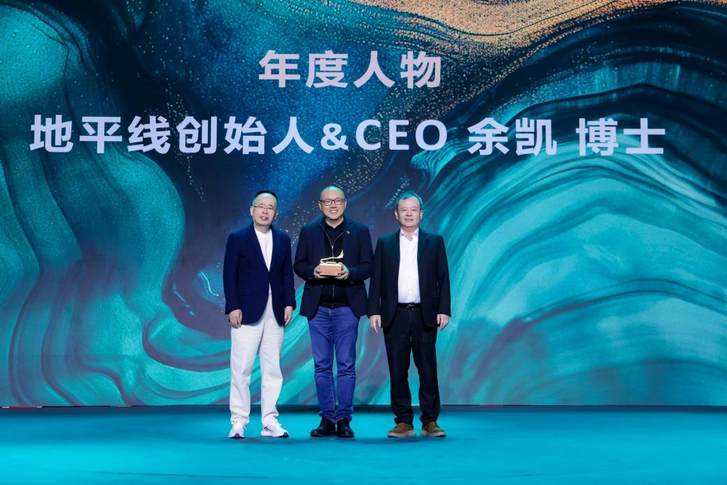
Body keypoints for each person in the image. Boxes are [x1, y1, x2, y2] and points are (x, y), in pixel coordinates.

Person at [367, 191, 451, 438]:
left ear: (421, 214)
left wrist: (444, 309)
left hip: (425, 313)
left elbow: (443, 278)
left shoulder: (434, 242)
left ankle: (430, 421)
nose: (409, 214)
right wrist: (374, 311)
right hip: (395, 315)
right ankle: (403, 421)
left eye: (414, 210)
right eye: (404, 210)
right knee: (397, 369)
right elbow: (377, 279)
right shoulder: (385, 243)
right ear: (396, 214)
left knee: (427, 369)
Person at [294, 185, 373, 438]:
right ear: (320, 205)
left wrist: (350, 273)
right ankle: (327, 418)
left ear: (345, 204)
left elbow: (368, 266)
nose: (333, 205)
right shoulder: (308, 232)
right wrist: (313, 272)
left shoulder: (360, 231)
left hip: (347, 307)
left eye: (337, 201)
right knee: (322, 366)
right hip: (318, 308)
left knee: (346, 365)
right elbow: (299, 265)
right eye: (327, 201)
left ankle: (344, 419)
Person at [223, 190, 295, 439]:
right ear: (251, 209)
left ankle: (269, 421)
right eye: (261, 206)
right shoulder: (238, 238)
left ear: (276, 213)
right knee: (241, 368)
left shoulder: (283, 239)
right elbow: (229, 274)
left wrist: (289, 303)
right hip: (246, 311)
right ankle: (239, 421)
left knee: (272, 368)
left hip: (276, 311)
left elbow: (286, 274)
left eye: (270, 207)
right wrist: (233, 306)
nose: (265, 211)